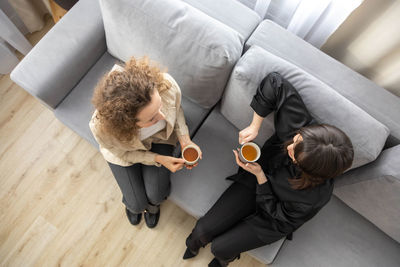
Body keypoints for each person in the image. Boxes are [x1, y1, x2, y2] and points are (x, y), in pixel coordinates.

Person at [182, 72, 354, 266]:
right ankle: (193, 244)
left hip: (273, 219)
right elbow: (275, 82)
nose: (288, 147)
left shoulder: (315, 197)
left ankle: (224, 260)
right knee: (202, 230)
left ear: (309, 169)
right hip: (254, 181)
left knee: (220, 247)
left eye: (294, 154)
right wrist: (255, 126)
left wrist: (261, 177)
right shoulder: (303, 129)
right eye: (296, 139)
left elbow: (280, 215)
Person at [89, 57, 202, 228]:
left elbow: (176, 110)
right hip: (126, 151)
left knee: (156, 196)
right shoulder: (103, 129)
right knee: (136, 204)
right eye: (152, 118)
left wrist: (185, 140)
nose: (162, 116)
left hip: (161, 139)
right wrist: (157, 158)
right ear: (127, 124)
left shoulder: (167, 85)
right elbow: (122, 153)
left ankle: (153, 207)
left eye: (160, 106)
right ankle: (134, 206)